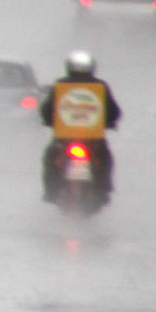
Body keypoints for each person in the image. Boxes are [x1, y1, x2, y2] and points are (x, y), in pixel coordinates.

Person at [38, 49, 123, 201]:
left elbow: (46, 110)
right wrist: (111, 121)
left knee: (50, 158)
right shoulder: (100, 86)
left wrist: (48, 120)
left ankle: (51, 191)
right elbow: (114, 111)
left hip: (65, 137)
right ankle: (103, 188)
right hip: (93, 138)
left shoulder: (60, 85)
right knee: (105, 158)